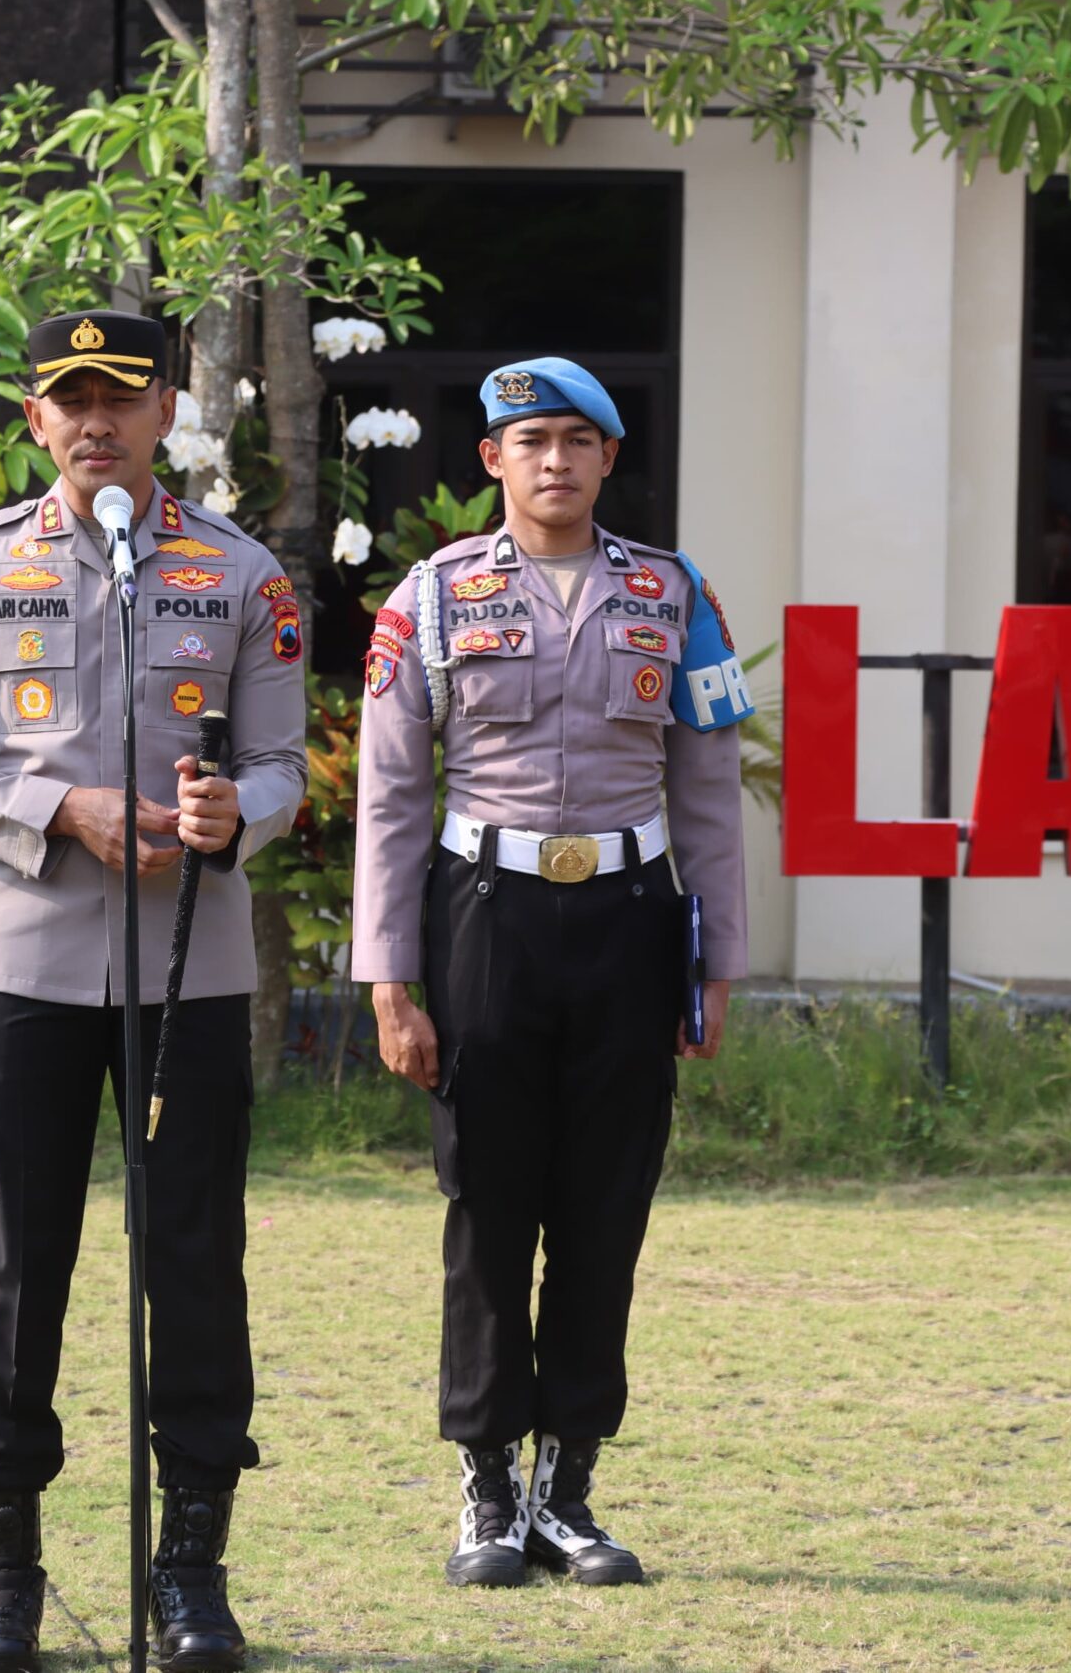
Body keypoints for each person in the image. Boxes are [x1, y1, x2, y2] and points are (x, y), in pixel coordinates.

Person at [0, 310, 308, 1673]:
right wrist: (61, 809)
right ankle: (1, 1571)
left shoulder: (240, 574)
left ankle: (191, 1572)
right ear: (34, 418)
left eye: (121, 395)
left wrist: (239, 813)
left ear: (168, 407)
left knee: (196, 1260)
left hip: (191, 969)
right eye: (70, 398)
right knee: (22, 1263)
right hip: (28, 966)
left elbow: (286, 765)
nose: (95, 421)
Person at [350, 357, 752, 1589]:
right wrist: (389, 979)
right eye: (530, 442)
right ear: (492, 460)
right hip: (486, 918)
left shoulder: (676, 595)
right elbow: (390, 797)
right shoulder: (431, 598)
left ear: (609, 458)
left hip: (631, 919)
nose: (555, 461)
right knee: (488, 1205)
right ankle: (485, 1487)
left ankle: (566, 1490)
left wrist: (717, 965)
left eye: (579, 440)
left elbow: (709, 792)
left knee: (603, 1208)